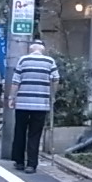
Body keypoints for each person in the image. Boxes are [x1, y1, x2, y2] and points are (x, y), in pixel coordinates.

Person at [7, 39, 59, 174]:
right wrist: (52, 95)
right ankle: (31, 164)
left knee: (20, 131)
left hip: (22, 103)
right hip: (41, 104)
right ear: (43, 49)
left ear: (31, 48)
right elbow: (55, 79)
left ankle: (19, 161)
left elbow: (15, 81)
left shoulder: (23, 60)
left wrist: (12, 98)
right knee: (35, 134)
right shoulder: (50, 61)